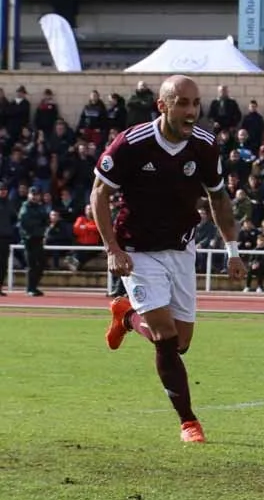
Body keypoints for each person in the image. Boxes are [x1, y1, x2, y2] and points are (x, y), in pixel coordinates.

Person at [89, 75, 246, 444]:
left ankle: (126, 316)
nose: (191, 111)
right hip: (137, 251)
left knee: (181, 343)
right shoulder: (131, 143)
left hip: (180, 248)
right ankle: (189, 422)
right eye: (183, 103)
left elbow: (219, 199)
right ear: (163, 105)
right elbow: (99, 193)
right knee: (164, 336)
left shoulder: (205, 146)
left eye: (196, 103)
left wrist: (233, 251)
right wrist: (112, 248)